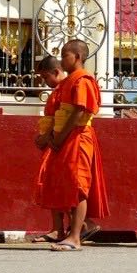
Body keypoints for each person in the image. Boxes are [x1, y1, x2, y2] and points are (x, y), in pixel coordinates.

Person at [39, 39, 109, 252]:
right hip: (66, 137)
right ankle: (75, 231)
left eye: (65, 55)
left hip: (78, 136)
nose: (61, 60)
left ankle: (75, 237)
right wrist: (53, 135)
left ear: (77, 57)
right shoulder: (69, 81)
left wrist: (60, 137)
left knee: (79, 186)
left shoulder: (83, 80)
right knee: (69, 183)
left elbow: (79, 111)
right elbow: (61, 114)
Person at [31, 56, 70, 244]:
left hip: (59, 141)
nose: (45, 82)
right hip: (52, 139)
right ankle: (57, 228)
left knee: (62, 185)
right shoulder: (58, 90)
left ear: (56, 72)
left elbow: (61, 117)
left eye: (46, 77)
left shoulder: (65, 89)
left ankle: (73, 226)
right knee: (51, 184)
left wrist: (47, 137)